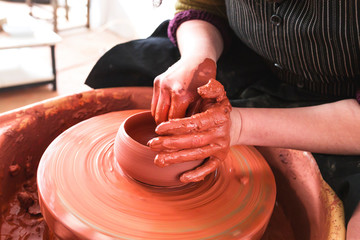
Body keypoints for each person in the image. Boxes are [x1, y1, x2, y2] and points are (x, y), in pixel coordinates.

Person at [85, 0, 360, 237]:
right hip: (249, 59)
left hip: (341, 108)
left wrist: (238, 126)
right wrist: (198, 60)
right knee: (120, 72)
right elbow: (204, 6)